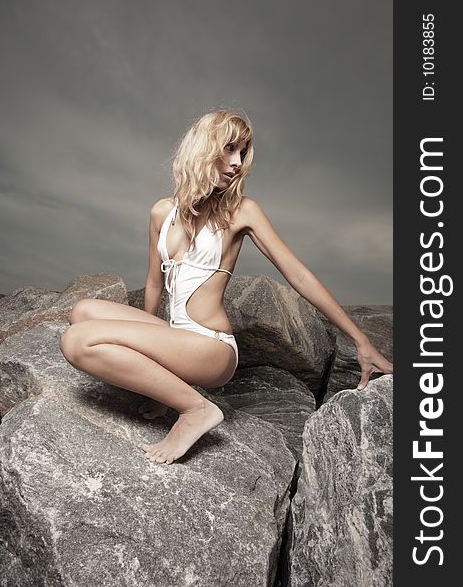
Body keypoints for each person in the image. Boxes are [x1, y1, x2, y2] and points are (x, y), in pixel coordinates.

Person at [60, 108, 393, 465]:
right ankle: (169, 389)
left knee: (77, 341)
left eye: (243, 153)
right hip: (179, 341)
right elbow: (154, 281)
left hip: (211, 349)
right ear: (203, 148)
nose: (237, 162)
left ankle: (195, 409)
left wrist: (361, 341)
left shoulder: (242, 211)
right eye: (229, 148)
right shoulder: (162, 212)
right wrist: (146, 359)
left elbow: (298, 276)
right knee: (82, 311)